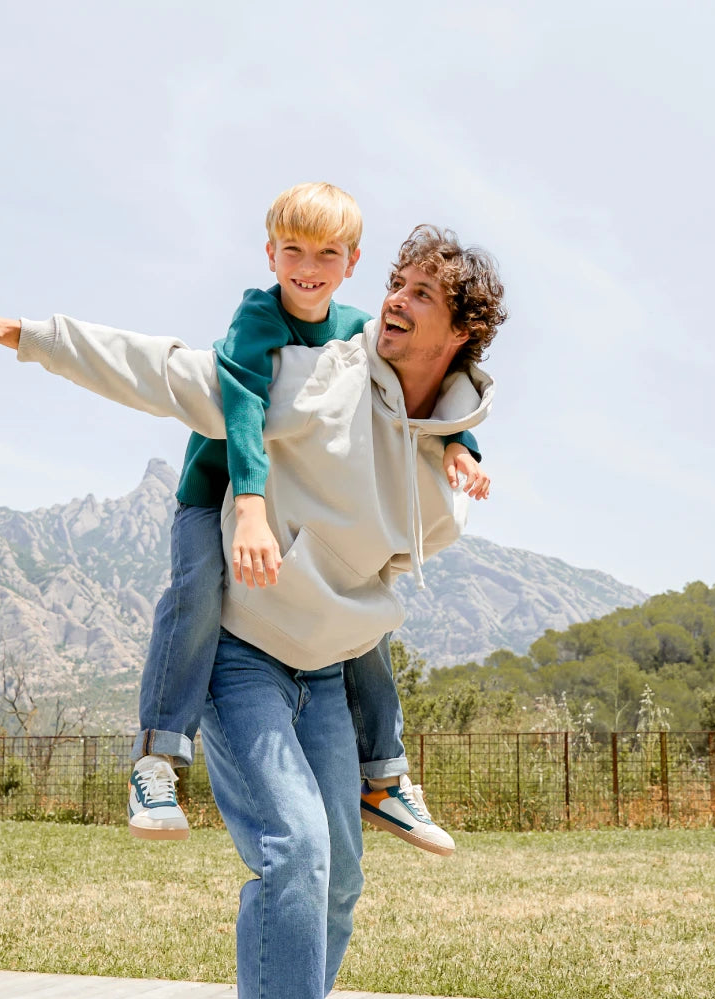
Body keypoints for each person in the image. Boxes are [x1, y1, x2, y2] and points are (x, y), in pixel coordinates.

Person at [0, 223, 508, 999]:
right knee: (294, 852)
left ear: (461, 332)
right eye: (398, 279)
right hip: (242, 654)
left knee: (339, 870)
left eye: (423, 292)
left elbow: (395, 546)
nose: (396, 295)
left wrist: (442, 464)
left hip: (330, 671)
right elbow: (174, 371)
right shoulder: (317, 374)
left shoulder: (451, 457)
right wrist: (23, 334)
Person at [128, 183, 489, 857]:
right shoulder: (257, 319)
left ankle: (383, 775)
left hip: (280, 509)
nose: (308, 266)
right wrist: (252, 508)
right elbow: (241, 418)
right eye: (293, 250)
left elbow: (433, 386)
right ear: (270, 253)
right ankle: (157, 758)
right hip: (217, 493)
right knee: (198, 592)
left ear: (350, 261)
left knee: (362, 604)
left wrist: (463, 448)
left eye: (327, 252)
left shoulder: (358, 328)